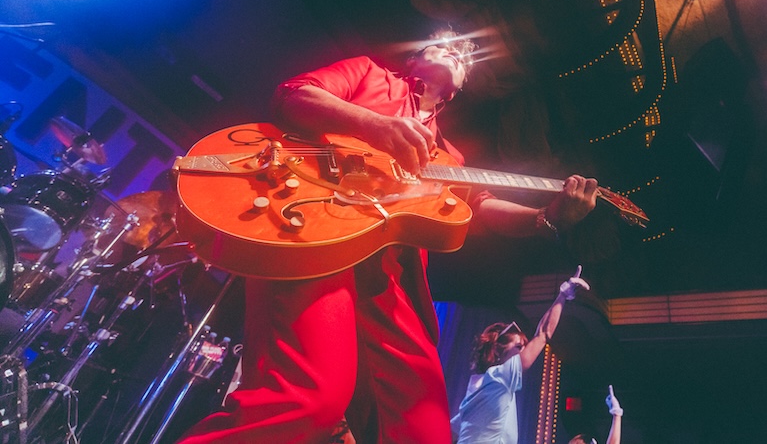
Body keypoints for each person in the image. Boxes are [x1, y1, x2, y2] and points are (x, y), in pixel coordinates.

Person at [177, 30, 599, 444]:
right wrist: (374, 124)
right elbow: (295, 94)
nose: (456, 52)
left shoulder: (449, 157)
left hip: (389, 279)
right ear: (413, 60)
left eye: (463, 58)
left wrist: (546, 217)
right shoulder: (369, 74)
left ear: (456, 92)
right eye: (443, 46)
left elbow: (481, 209)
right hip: (314, 240)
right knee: (306, 401)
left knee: (425, 431)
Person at [450, 266, 590, 444]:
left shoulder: (475, 389)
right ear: (497, 350)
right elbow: (543, 333)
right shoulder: (500, 377)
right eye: (518, 346)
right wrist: (562, 295)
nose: (524, 351)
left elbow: (452, 431)